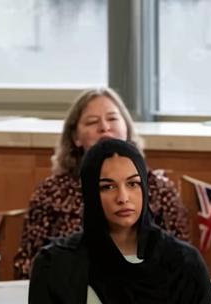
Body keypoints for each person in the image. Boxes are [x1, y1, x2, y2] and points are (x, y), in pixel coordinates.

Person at [14, 87, 190, 278]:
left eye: (113, 119)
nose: (105, 127)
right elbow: (27, 263)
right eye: (92, 122)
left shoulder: (161, 190)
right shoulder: (49, 192)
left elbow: (181, 259)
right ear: (75, 137)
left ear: (127, 128)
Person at [29, 138, 211, 303]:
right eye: (107, 187)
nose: (123, 198)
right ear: (91, 194)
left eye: (133, 184)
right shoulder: (55, 265)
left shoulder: (184, 264)